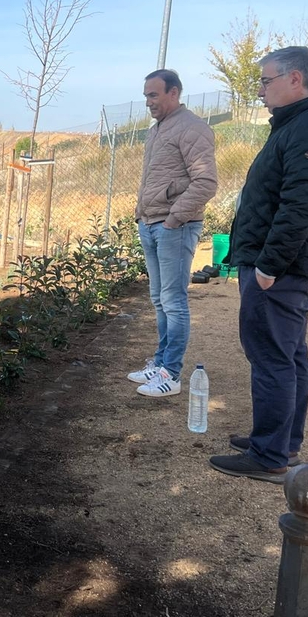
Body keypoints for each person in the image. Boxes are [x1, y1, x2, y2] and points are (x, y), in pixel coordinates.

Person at [209, 46, 308, 483]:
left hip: (280, 267)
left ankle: (269, 455)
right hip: (281, 263)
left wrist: (269, 265)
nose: (260, 89)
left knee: (272, 357)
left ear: (295, 80)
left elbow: (302, 205)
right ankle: (279, 441)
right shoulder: (300, 124)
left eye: (266, 80)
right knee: (289, 355)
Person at [127, 69, 218, 397]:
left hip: (173, 227)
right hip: (150, 224)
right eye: (146, 96)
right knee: (159, 299)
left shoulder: (192, 128)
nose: (148, 102)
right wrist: (142, 216)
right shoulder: (157, 130)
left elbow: (206, 182)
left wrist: (174, 219)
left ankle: (171, 374)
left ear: (174, 93)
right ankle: (161, 362)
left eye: (154, 95)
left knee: (174, 301)